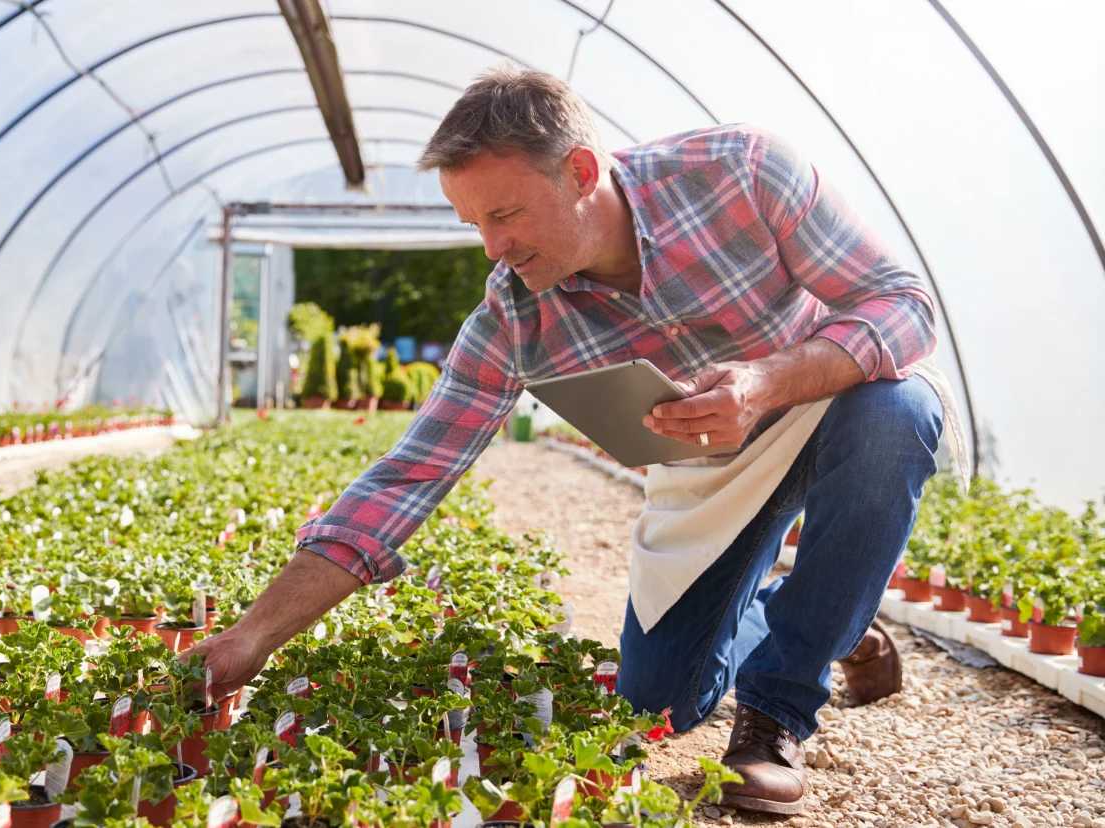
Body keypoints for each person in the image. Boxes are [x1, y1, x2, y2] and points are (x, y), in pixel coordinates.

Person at [187, 64, 966, 816]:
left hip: (823, 394)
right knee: (659, 704)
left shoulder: (742, 170)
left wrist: (764, 382)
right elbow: (406, 480)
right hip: (705, 463)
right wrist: (250, 637)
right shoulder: (515, 319)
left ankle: (777, 718)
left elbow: (905, 307)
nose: (491, 248)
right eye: (473, 223)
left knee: (897, 416)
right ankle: (834, 610)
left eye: (505, 215)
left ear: (581, 172)